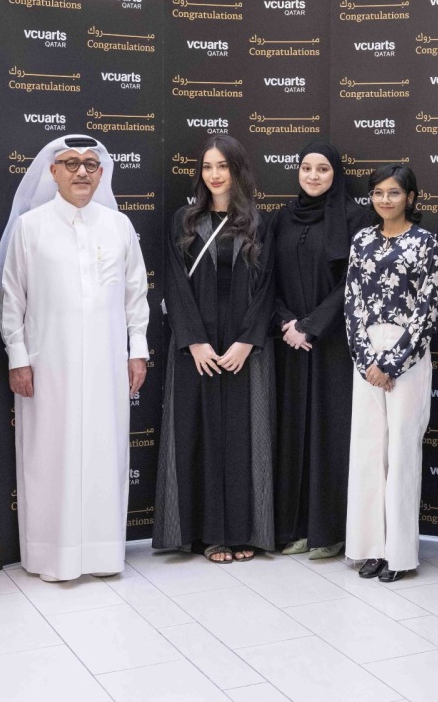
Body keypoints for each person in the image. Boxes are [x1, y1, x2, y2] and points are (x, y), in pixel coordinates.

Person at [0, 134, 149, 582]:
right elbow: (13, 299)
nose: (82, 171)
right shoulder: (30, 226)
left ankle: (103, 555)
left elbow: (136, 295)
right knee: (49, 456)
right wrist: (18, 357)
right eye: (71, 163)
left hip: (107, 364)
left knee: (105, 451)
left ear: (102, 173)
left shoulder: (118, 226)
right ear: (53, 171)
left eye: (90, 164)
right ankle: (49, 556)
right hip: (49, 365)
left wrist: (136, 350)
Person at [152, 134, 276, 564]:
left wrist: (247, 341)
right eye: (207, 166)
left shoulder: (260, 223)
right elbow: (174, 284)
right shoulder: (184, 221)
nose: (215, 174)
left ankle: (243, 532)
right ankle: (206, 535)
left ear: (237, 170)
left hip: (246, 350)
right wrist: (194, 342)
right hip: (196, 351)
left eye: (222, 166)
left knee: (244, 438)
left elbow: (268, 290)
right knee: (197, 436)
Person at [344, 164, 438, 583]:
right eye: (378, 192)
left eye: (394, 192)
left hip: (408, 356)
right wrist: (367, 360)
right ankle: (371, 548)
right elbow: (351, 303)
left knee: (401, 452)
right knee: (368, 451)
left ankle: (399, 553)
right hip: (365, 357)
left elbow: (426, 310)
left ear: (411, 198)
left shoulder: (425, 243)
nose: (385, 199)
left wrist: (391, 363)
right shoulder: (361, 240)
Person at [272, 142, 367, 560]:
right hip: (289, 345)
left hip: (333, 346)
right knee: (294, 435)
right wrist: (287, 324)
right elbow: (265, 281)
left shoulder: (354, 217)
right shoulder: (281, 219)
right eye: (306, 167)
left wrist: (310, 326)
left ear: (336, 174)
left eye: (323, 169)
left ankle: (330, 531)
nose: (313, 176)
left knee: (331, 434)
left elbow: (353, 283)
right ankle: (297, 529)